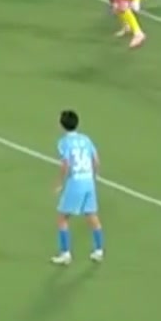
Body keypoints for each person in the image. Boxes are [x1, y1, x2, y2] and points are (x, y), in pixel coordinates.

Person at [51, 110, 104, 265]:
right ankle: (99, 250)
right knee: (91, 215)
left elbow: (66, 164)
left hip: (76, 182)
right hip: (89, 181)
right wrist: (94, 176)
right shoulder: (86, 139)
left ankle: (65, 254)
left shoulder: (64, 142)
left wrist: (60, 183)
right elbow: (96, 160)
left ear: (62, 125)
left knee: (62, 218)